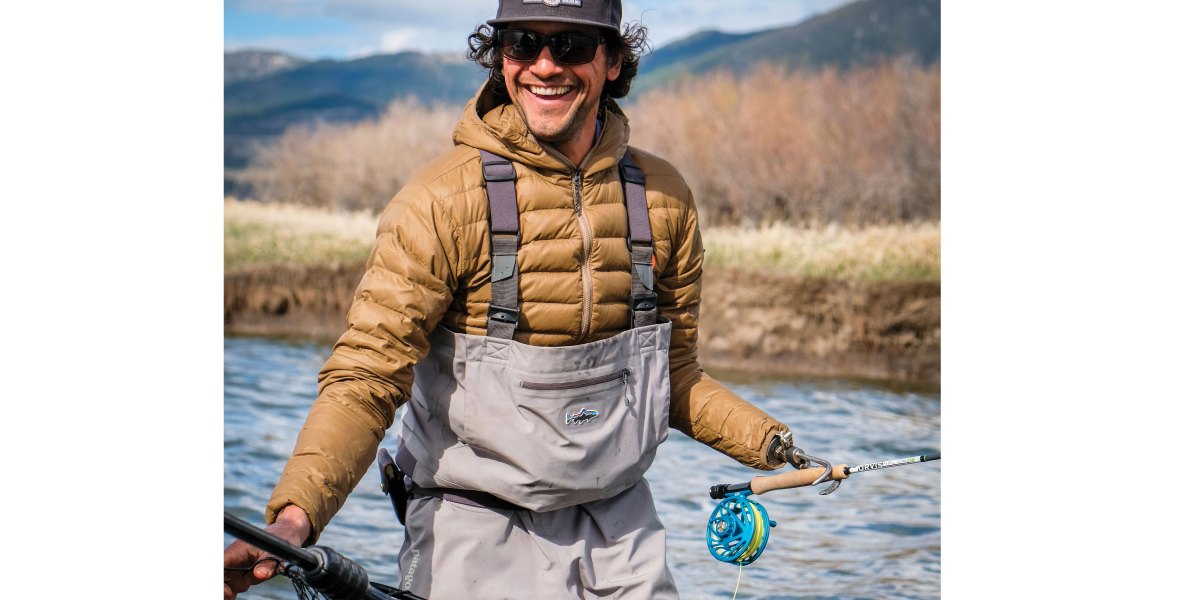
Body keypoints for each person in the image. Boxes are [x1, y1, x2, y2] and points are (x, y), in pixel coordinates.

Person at [224, 1, 818, 598]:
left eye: (571, 47)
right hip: (471, 526)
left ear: (613, 61)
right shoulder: (438, 203)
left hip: (623, 529)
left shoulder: (665, 198)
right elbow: (365, 378)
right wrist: (297, 516)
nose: (544, 66)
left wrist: (777, 447)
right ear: (498, 56)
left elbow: (673, 374)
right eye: (524, 43)